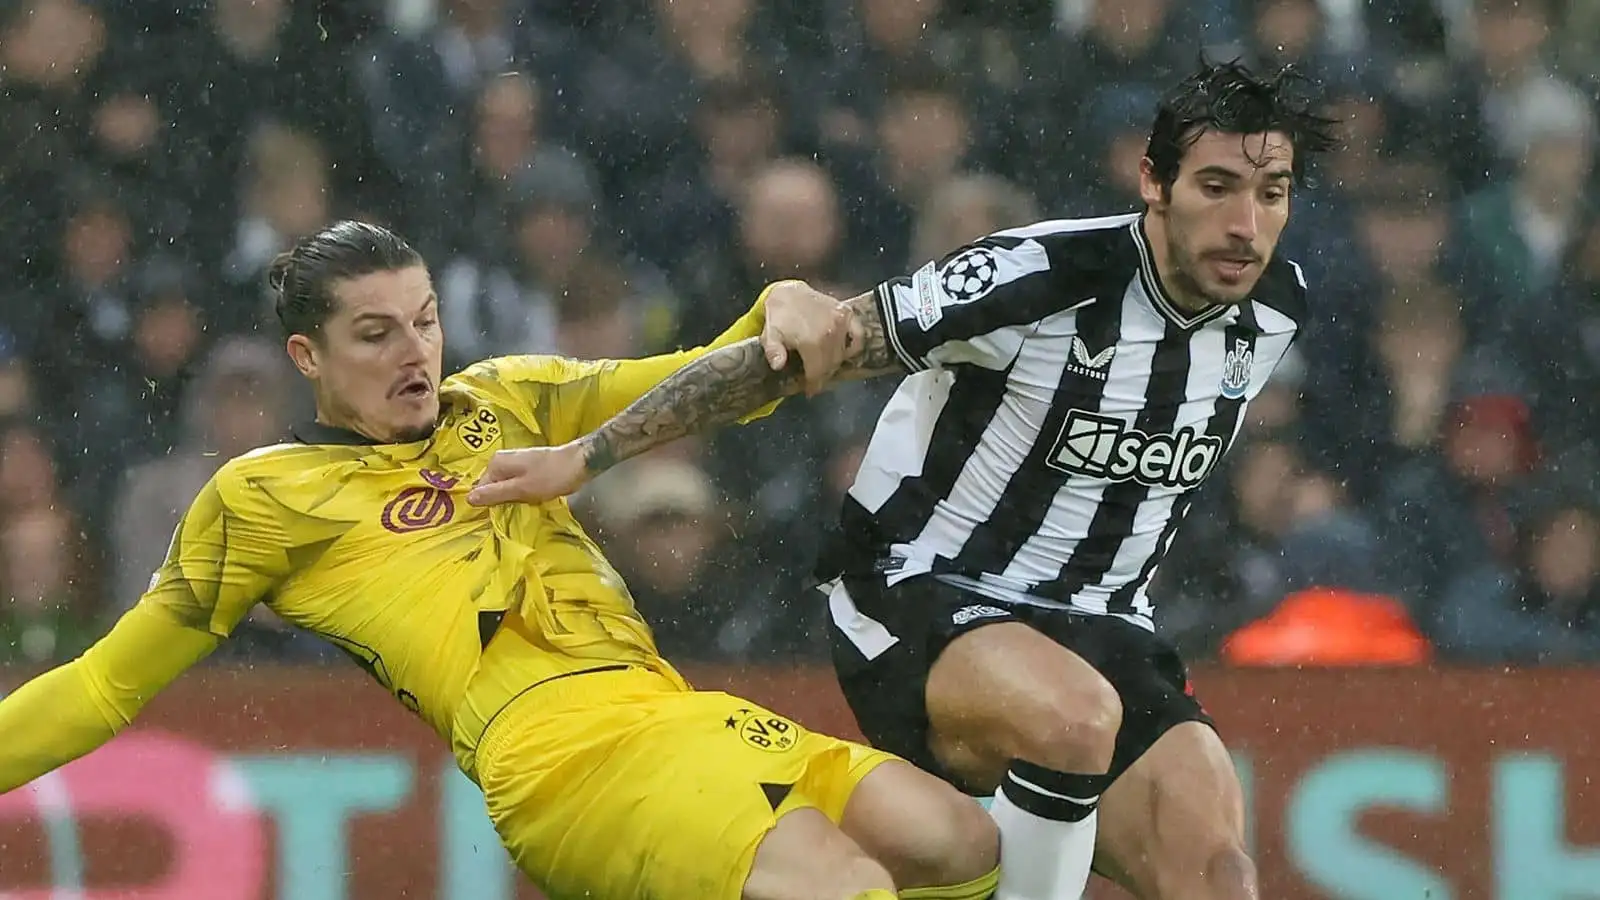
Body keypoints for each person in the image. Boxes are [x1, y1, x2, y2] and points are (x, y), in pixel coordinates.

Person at [465, 59, 1339, 900]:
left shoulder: (1275, 308)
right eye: (1216, 187)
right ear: (1154, 182)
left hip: (1104, 627)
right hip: (918, 595)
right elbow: (805, 351)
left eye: (1272, 194)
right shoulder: (1038, 276)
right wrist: (588, 456)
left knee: (1222, 878)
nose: (1245, 225)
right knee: (1074, 721)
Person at [0, 221, 1004, 900]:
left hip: (666, 710)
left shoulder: (504, 399)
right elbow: (102, 685)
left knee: (957, 843)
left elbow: (698, 375)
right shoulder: (260, 499)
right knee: (844, 887)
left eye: (425, 320)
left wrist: (779, 302)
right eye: (374, 333)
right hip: (559, 758)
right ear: (307, 358)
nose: (414, 353)